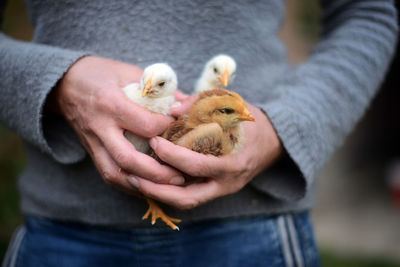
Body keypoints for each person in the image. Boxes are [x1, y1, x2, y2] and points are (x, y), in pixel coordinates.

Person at [0, 0, 397, 266]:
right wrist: (56, 84)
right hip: (63, 229)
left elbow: (370, 12)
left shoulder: (219, 121)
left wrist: (286, 129)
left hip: (256, 224)